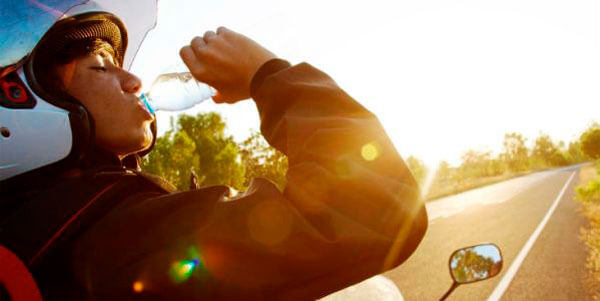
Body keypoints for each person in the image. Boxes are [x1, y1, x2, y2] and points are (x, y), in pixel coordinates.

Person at [0, 1, 427, 300]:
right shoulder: (110, 242)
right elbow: (371, 209)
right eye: (100, 67)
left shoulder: (35, 231)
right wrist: (268, 74)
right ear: (18, 97)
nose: (133, 82)